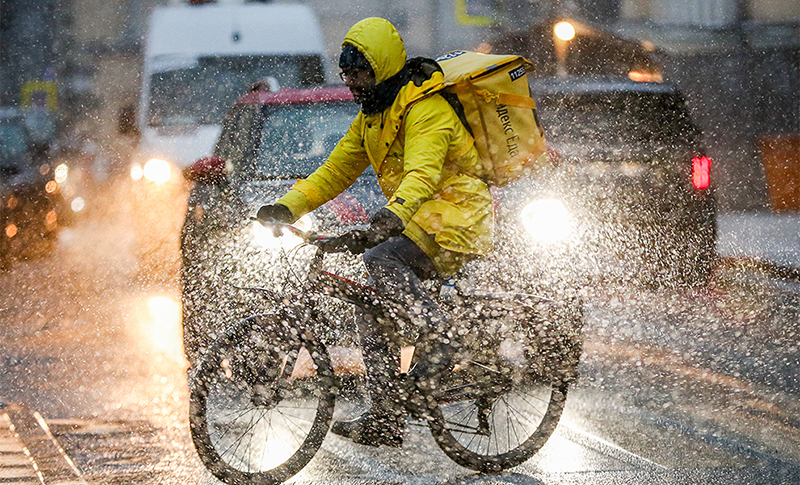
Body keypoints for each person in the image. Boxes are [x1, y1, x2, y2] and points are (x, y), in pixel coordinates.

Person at [256, 17, 493, 448]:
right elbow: (333, 172)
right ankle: (386, 418)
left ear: (381, 69)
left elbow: (421, 174)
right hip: (419, 218)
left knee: (378, 257)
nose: (352, 84)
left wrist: (389, 217)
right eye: (347, 75)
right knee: (370, 309)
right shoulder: (372, 118)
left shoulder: (425, 108)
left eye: (360, 74)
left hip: (456, 216)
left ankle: (443, 337)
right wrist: (286, 207)